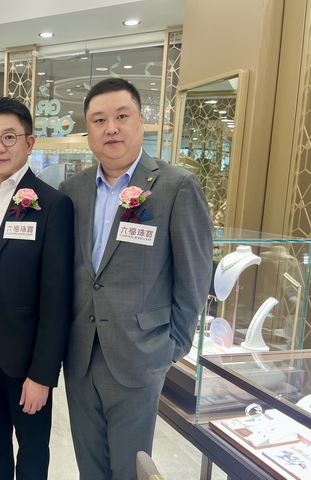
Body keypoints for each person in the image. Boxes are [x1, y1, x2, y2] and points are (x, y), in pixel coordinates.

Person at [59, 78, 213, 480]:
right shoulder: (71, 191)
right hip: (80, 353)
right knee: (89, 466)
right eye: (99, 120)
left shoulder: (176, 186)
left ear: (141, 121)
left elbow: (195, 276)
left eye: (121, 116)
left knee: (130, 468)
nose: (111, 128)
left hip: (140, 353)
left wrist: (172, 346)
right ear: (88, 130)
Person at [0, 97, 74, 480]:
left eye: (9, 137)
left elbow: (57, 298)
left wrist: (43, 374)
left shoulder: (52, 205)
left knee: (32, 448)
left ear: (29, 142)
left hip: (27, 352)